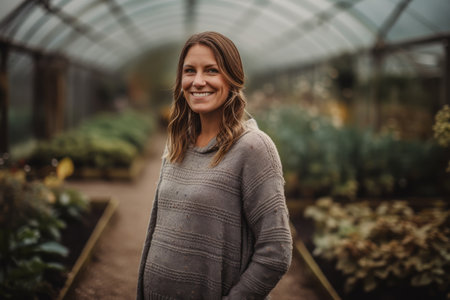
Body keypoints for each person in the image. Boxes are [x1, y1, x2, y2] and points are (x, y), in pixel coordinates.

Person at [136, 31, 292, 300]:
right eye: (189, 71)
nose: (197, 82)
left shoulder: (253, 148)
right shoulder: (177, 143)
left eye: (211, 71)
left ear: (232, 79)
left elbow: (276, 250)